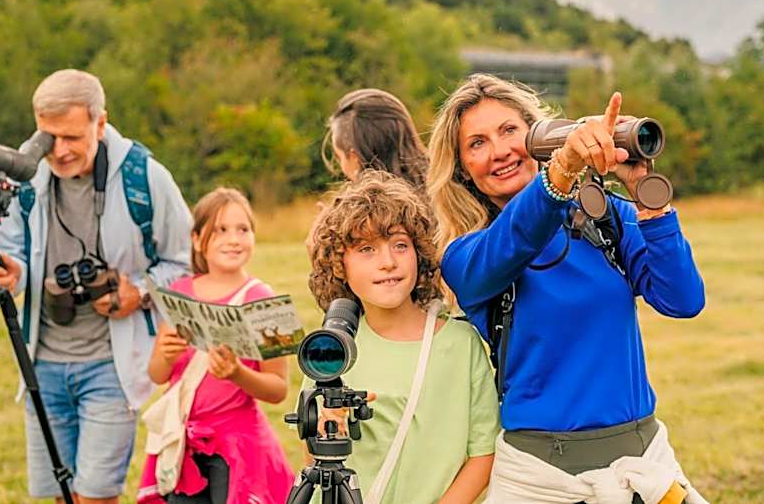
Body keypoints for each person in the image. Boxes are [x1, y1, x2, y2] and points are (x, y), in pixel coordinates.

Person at [428, 73, 707, 503]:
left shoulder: (605, 219)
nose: (499, 151)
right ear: (463, 170)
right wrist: (559, 174)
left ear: (540, 137)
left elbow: (683, 300)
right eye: (477, 143)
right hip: (539, 479)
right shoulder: (466, 255)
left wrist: (646, 197)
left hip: (643, 462)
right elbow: (517, 238)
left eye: (509, 131)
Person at [0, 69, 193, 504]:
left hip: (111, 363)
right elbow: (15, 256)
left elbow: (185, 263)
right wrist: (12, 273)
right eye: (49, 137)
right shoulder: (26, 178)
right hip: (41, 364)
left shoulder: (147, 178)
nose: (58, 151)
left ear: (101, 124)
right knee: (54, 495)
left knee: (96, 497)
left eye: (71, 137)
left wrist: (138, 291)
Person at [306, 171, 500, 503]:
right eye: (366, 249)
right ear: (340, 265)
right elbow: (314, 456)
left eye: (400, 245)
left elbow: (483, 453)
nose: (388, 263)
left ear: (419, 253)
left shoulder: (459, 344)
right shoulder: (332, 347)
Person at [138, 187, 294, 504]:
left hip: (239, 448)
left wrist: (237, 374)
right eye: (221, 230)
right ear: (196, 239)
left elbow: (279, 390)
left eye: (243, 229)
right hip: (183, 444)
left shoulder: (266, 301)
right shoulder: (178, 294)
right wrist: (165, 356)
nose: (234, 239)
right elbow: (156, 375)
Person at [323, 88, 428, 189]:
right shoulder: (439, 193)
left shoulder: (367, 205)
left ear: (355, 157)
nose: (342, 167)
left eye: (339, 157)